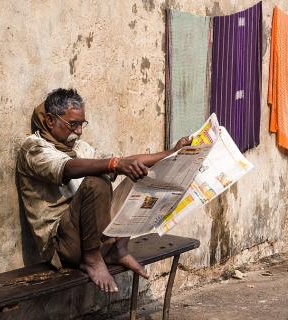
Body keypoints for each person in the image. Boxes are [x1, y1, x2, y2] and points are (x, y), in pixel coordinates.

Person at [16, 88, 190, 293]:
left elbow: (125, 161)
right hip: (64, 245)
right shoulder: (34, 149)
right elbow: (69, 168)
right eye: (73, 124)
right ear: (50, 120)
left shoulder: (80, 147)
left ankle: (118, 249)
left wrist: (172, 153)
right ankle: (92, 259)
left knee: (139, 175)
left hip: (90, 232)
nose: (79, 131)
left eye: (82, 124)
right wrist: (114, 164)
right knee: (96, 181)